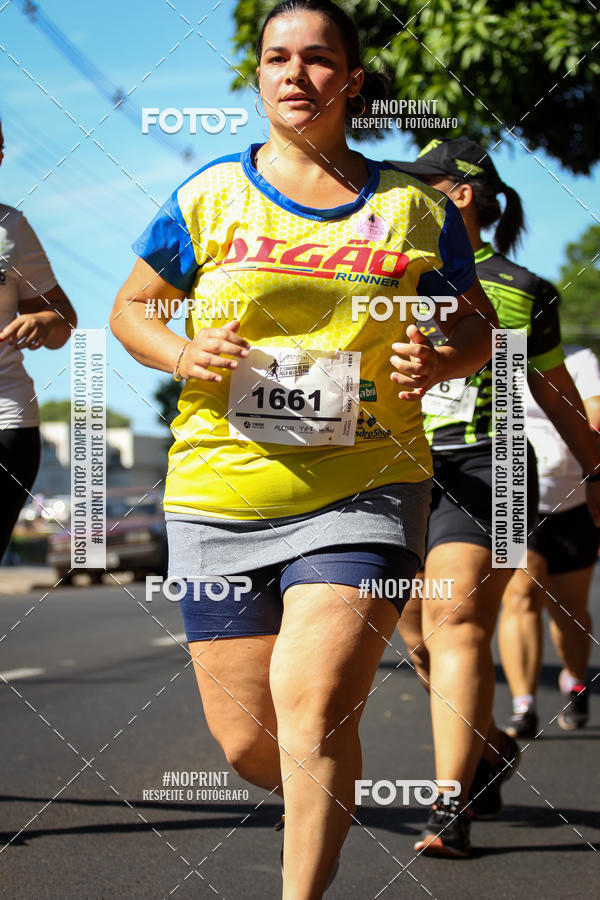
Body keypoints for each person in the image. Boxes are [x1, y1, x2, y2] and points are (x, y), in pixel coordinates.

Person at [110, 3, 498, 894]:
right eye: (277, 58)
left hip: (367, 482)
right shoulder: (209, 194)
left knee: (315, 710)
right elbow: (131, 309)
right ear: (257, 76)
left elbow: (475, 324)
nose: (296, 75)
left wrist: (439, 359)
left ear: (350, 81)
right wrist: (183, 350)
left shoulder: (407, 207)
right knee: (253, 745)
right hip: (220, 491)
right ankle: (327, 785)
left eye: (319, 60)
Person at [389, 138, 600, 858]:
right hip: (400, 466)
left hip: (495, 466)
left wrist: (596, 475)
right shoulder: (388, 267)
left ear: (463, 194)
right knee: (415, 635)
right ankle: (492, 743)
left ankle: (451, 806)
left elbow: (559, 395)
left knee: (458, 616)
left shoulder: (519, 286)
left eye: (425, 184)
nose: (409, 194)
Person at [499, 344, 600, 736]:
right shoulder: (497, 359)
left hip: (574, 500)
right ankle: (523, 705)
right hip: (514, 501)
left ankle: (575, 680)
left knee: (569, 609)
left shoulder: (577, 360)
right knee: (521, 597)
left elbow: (593, 407)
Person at [0, 118, 77, 562]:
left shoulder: (10, 228)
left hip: (6, 421)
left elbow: (63, 319)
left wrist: (40, 324)